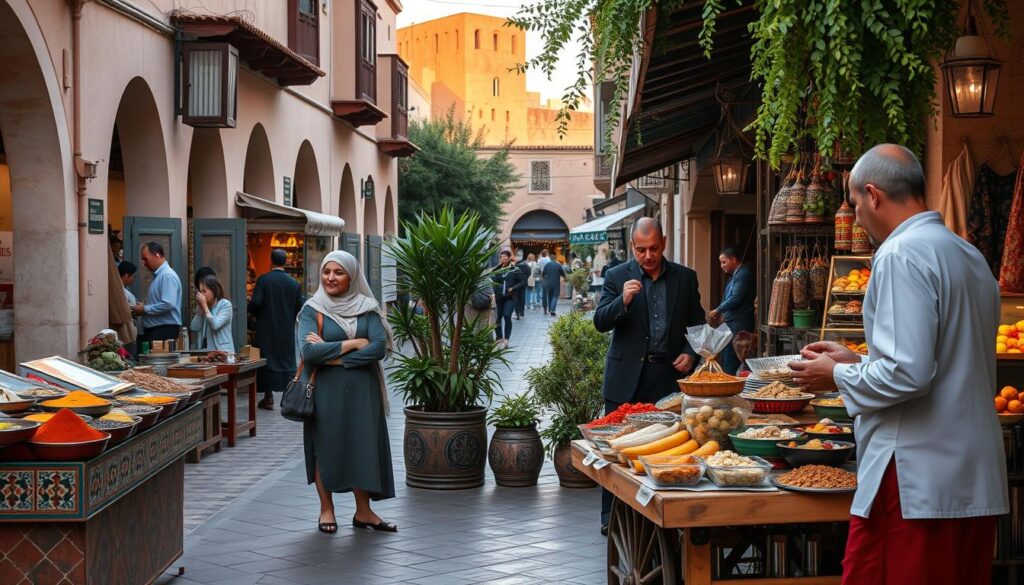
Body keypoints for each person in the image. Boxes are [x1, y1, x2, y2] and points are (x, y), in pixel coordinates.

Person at [789, 144, 1007, 585]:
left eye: (854, 205)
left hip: (913, 479)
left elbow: (908, 373)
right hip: (972, 475)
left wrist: (836, 374)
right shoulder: (969, 256)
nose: (856, 217)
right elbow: (941, 356)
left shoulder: (898, 254)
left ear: (873, 195)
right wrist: (858, 360)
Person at [594, 217, 705, 535]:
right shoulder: (616, 276)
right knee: (617, 446)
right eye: (641, 249)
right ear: (632, 247)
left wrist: (690, 351)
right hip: (625, 377)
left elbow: (696, 323)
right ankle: (610, 514)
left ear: (664, 243)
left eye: (653, 248)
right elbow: (600, 321)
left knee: (665, 445)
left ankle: (660, 511)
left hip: (667, 377)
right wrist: (623, 301)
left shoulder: (685, 278)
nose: (647, 255)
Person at [297, 250, 396, 534]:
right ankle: (326, 509)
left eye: (338, 272)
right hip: (324, 392)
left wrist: (334, 357)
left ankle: (364, 512)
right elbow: (308, 351)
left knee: (362, 447)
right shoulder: (312, 309)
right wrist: (352, 345)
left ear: (352, 276)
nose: (330, 278)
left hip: (363, 393)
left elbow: (378, 347)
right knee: (323, 447)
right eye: (326, 272)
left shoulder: (367, 307)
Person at [250, 249, 303, 410]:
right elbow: (299, 307)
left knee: (267, 360)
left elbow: (256, 303)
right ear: (286, 261)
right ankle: (288, 397)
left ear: (270, 260)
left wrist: (256, 315)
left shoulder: (263, 280)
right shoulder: (294, 283)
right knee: (286, 361)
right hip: (286, 328)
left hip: (266, 327)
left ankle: (268, 396)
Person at [709, 247, 755, 374]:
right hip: (731, 323)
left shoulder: (744, 273)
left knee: (732, 362)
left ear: (733, 260)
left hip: (739, 324)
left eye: (724, 262)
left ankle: (730, 390)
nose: (722, 266)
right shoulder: (735, 275)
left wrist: (718, 310)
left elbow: (735, 298)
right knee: (727, 360)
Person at [132, 242, 183, 346]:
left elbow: (168, 304)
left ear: (157, 255)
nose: (144, 263)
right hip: (158, 330)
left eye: (145, 259)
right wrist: (144, 308)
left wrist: (144, 309)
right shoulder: (160, 276)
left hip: (163, 330)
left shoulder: (167, 276)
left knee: (159, 361)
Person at [190, 273, 234, 352]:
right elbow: (194, 327)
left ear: (214, 289)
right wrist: (199, 311)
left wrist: (205, 308)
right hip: (208, 353)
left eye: (204, 291)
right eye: (200, 291)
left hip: (224, 352)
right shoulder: (204, 305)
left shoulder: (225, 304)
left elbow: (216, 325)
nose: (202, 294)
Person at [492, 249, 525, 348]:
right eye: (502, 257)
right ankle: (499, 338)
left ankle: (506, 338)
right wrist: (493, 294)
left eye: (506, 257)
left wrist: (513, 288)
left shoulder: (515, 270)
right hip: (499, 297)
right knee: (497, 318)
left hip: (510, 297)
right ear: (500, 258)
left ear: (510, 258)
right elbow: (493, 283)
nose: (504, 259)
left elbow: (522, 282)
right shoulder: (496, 270)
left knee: (507, 316)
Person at [514, 252, 531, 320]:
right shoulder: (526, 265)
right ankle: (522, 312)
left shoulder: (516, 265)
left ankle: (517, 312)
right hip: (524, 284)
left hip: (516, 284)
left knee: (516, 298)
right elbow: (529, 273)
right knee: (522, 297)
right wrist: (525, 278)